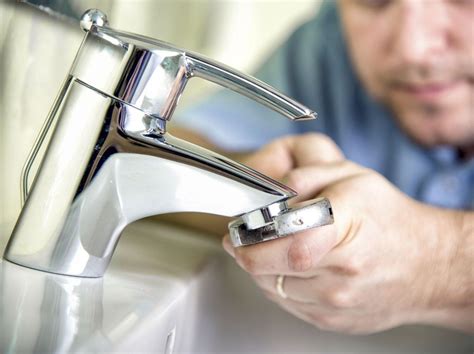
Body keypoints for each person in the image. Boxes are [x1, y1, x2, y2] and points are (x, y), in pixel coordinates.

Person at [173, 0, 473, 334]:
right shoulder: (329, 44)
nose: (411, 49)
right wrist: (276, 188)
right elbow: (177, 150)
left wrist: (439, 259)